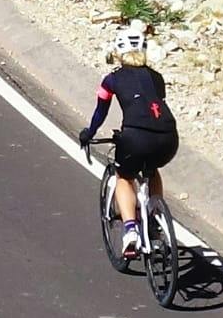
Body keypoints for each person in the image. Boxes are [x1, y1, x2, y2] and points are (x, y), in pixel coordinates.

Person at [76, 31, 181, 265]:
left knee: (124, 176)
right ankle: (154, 216)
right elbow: (152, 106)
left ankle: (131, 229)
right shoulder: (157, 77)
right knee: (152, 169)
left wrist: (89, 133)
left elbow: (100, 112)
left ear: (118, 52)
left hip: (135, 138)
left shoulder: (111, 80)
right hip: (168, 138)